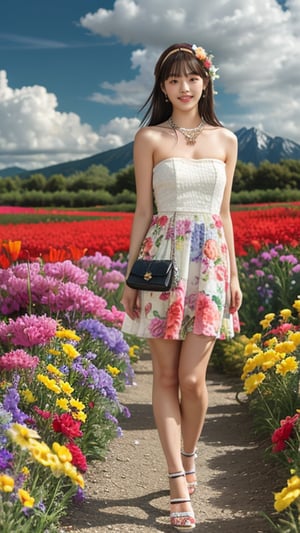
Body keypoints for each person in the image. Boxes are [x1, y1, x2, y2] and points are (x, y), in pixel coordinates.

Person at [121, 42, 242, 531]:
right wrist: (132, 275)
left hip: (210, 265)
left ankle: (189, 455)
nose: (184, 87)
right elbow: (144, 212)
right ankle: (176, 481)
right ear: (162, 87)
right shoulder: (149, 138)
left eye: (191, 78)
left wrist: (233, 274)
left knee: (194, 381)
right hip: (161, 264)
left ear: (206, 81)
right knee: (165, 379)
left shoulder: (226, 140)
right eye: (173, 80)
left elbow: (226, 214)